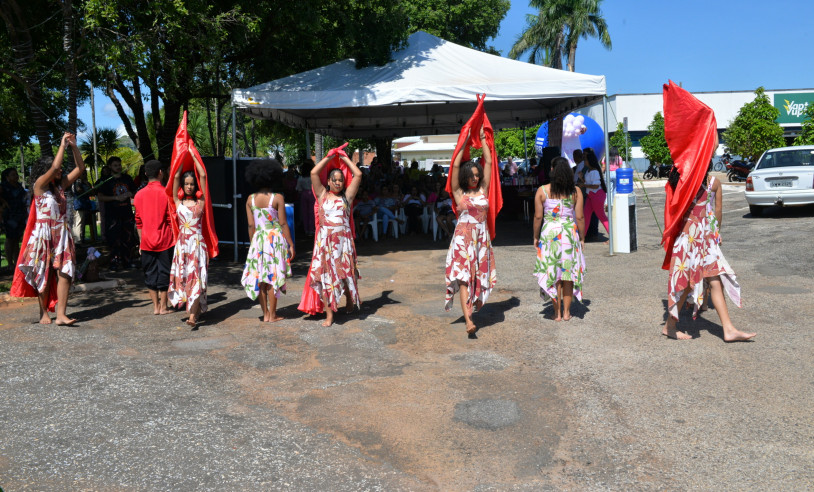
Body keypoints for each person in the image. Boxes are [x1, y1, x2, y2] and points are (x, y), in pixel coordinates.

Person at [662, 163, 755, 341]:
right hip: (697, 238)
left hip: (691, 237)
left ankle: (728, 330)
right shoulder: (712, 182)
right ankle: (670, 326)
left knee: (715, 280)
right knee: (688, 283)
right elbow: (718, 212)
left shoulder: (685, 181)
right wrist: (716, 232)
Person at [14, 132, 85, 324]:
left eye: (61, 169)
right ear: (44, 171)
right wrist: (62, 144)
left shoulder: (61, 186)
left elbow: (80, 168)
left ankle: (61, 315)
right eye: (57, 169)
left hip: (61, 233)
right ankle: (43, 312)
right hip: (43, 234)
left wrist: (74, 146)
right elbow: (55, 166)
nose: (60, 171)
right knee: (43, 272)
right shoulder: (39, 186)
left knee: (65, 272)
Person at [445, 125, 496, 335]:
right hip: (462, 240)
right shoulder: (458, 193)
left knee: (476, 277)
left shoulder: (484, 189)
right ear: (466, 176)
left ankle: (470, 312)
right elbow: (455, 166)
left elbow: (490, 162)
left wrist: (483, 140)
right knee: (464, 278)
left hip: (480, 240)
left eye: (477, 175)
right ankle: (468, 320)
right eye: (472, 175)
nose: (475, 178)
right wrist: (464, 141)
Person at [308, 150, 363, 327]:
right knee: (326, 278)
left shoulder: (347, 197)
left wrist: (344, 157)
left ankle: (348, 298)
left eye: (341, 180)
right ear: (329, 181)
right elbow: (314, 172)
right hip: (325, 244)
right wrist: (330, 157)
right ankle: (329, 315)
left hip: (342, 243)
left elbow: (359, 174)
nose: (338, 182)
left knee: (345, 275)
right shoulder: (322, 195)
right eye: (335, 180)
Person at [240, 159, 295, 322]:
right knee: (273, 276)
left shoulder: (250, 200)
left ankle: (265, 314)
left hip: (259, 240)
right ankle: (273, 314)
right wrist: (290, 244)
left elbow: (251, 225)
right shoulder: (277, 198)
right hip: (274, 240)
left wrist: (253, 244)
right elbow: (283, 223)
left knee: (261, 278)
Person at [532, 157, 586, 321]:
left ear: (553, 170)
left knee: (553, 273)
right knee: (567, 274)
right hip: (569, 234)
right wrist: (582, 238)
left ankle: (556, 313)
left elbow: (538, 217)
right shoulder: (575, 191)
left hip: (550, 235)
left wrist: (535, 237)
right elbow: (580, 217)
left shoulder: (543, 190)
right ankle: (567, 312)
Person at [168, 153, 210, 326]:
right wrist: (181, 155)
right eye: (186, 184)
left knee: (196, 277)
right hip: (183, 246)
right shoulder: (177, 201)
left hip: (198, 246)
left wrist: (193, 155)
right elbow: (176, 176)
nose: (189, 186)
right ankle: (195, 311)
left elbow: (203, 175)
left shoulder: (201, 202)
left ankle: (192, 316)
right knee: (185, 277)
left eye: (192, 184)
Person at [133, 160, 175, 315]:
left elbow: (138, 221)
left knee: (149, 273)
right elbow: (170, 220)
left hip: (146, 241)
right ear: (161, 173)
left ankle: (155, 307)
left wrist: (140, 242)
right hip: (165, 240)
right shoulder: (166, 193)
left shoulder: (138, 195)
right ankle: (164, 307)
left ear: (145, 174)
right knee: (164, 272)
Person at [98, 156, 137, 271]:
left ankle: (127, 261)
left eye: (119, 165)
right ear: (110, 166)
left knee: (128, 238)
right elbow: (100, 197)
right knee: (114, 239)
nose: (118, 167)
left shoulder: (127, 178)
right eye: (115, 165)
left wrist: (130, 193)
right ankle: (114, 262)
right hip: (113, 215)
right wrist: (115, 198)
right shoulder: (105, 180)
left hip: (127, 214)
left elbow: (135, 191)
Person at [1, 168, 28, 272]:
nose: (16, 176)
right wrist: (3, 203)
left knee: (16, 239)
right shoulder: (3, 186)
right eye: (13, 175)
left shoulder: (19, 186)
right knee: (9, 238)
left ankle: (16, 261)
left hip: (20, 215)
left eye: (16, 174)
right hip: (9, 216)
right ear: (7, 177)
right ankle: (9, 263)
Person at [581, 148, 610, 243]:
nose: (583, 160)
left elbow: (596, 185)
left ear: (589, 160)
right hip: (591, 195)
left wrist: (583, 184)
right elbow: (591, 184)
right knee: (586, 216)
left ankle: (613, 238)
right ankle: (581, 238)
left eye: (585, 158)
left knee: (601, 216)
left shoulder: (594, 171)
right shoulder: (590, 171)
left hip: (596, 195)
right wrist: (582, 179)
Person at [71, 168, 97, 243]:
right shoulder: (77, 182)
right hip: (78, 204)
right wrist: (86, 189)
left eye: (85, 173)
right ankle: (77, 241)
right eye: (83, 174)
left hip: (85, 204)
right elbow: (79, 190)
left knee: (83, 222)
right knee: (78, 222)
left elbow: (92, 193)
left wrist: (88, 186)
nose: (85, 175)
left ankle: (81, 238)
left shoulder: (86, 183)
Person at [297, 159, 316, 236]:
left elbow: (298, 189)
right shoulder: (313, 177)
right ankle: (312, 229)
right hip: (312, 193)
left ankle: (306, 229)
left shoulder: (301, 178)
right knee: (312, 212)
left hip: (303, 194)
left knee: (304, 212)